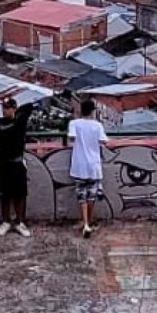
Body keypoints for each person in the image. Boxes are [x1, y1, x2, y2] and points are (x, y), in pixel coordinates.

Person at [0, 96, 34, 237]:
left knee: (19, 195)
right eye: (3, 108)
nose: (4, 110)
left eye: (7, 108)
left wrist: (16, 113)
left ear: (13, 108)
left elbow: (29, 106)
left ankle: (19, 222)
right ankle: (5, 221)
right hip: (3, 164)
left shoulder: (20, 122)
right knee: (4, 195)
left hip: (17, 163)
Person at [67, 99, 108, 238]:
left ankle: (85, 223)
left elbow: (71, 138)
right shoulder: (97, 125)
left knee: (81, 197)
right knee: (91, 196)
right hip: (94, 166)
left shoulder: (74, 123)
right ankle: (89, 222)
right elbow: (104, 141)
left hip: (79, 166)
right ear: (92, 111)